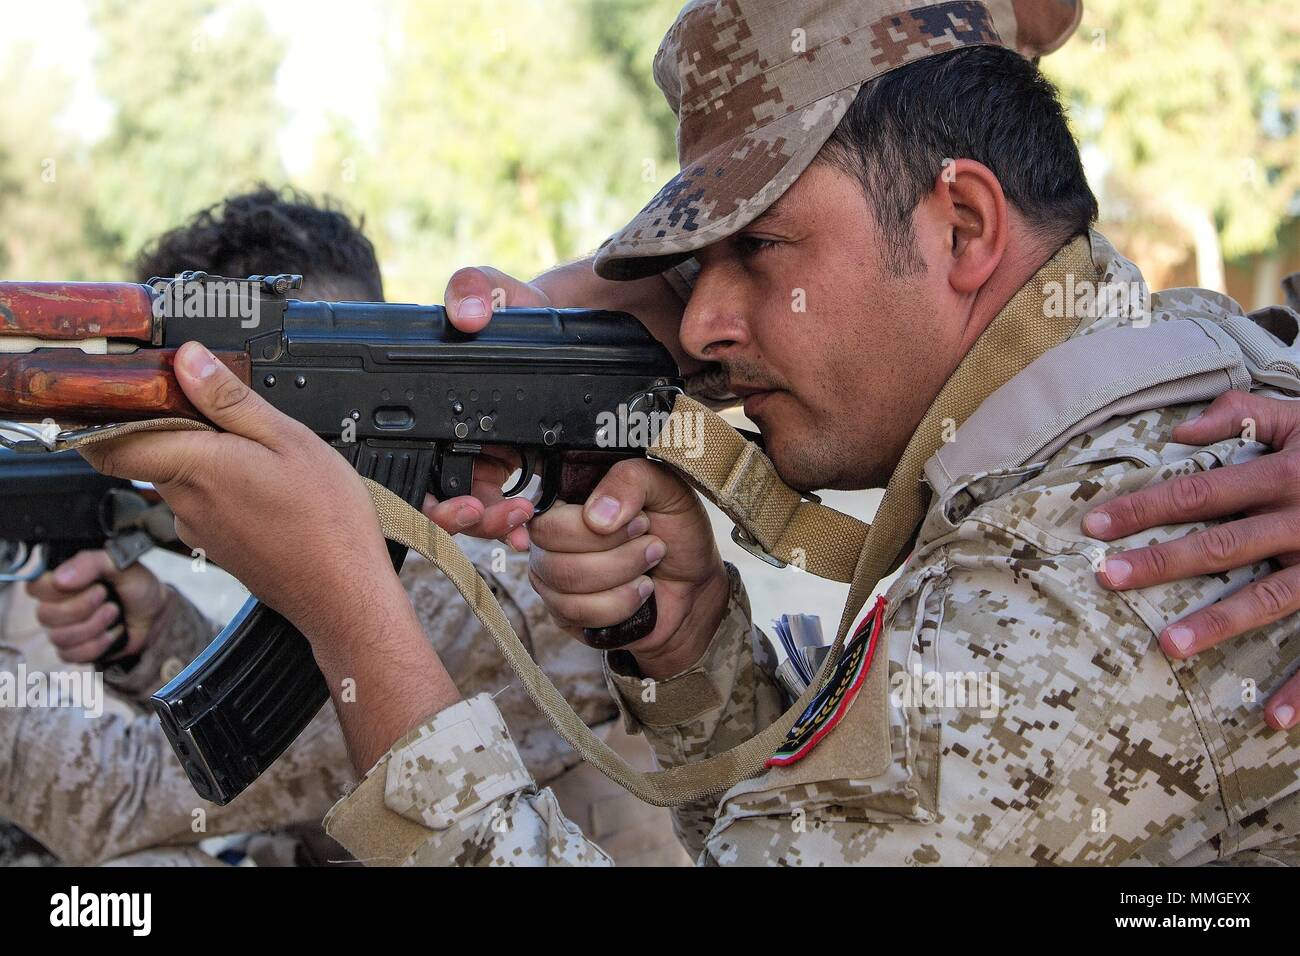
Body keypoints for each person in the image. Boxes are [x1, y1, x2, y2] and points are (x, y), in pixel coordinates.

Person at [76, 0, 1300, 865]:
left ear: (964, 228)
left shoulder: (1092, 567)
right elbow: (820, 827)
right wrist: (692, 640)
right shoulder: (1148, 376)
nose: (707, 323)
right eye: (689, 269)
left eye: (759, 251)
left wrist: (349, 609)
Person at [8, 186, 686, 866]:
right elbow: (295, 723)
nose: (177, 481)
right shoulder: (429, 544)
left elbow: (121, 798)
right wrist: (159, 636)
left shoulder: (464, 594)